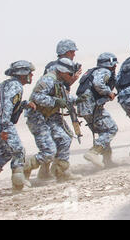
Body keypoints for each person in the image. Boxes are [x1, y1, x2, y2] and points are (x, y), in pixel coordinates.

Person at [24, 58, 82, 183]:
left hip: (49, 115)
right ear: (61, 71)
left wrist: (76, 99)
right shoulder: (48, 80)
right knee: (49, 151)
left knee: (65, 138)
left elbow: (63, 97)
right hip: (37, 117)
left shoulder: (59, 81)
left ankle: (61, 171)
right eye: (70, 74)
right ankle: (24, 168)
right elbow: (37, 97)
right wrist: (54, 101)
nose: (71, 77)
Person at [40, 39, 82, 178]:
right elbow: (58, 89)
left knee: (57, 139)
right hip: (51, 108)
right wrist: (72, 80)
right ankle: (59, 171)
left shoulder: (54, 65)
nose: (74, 55)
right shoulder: (57, 67)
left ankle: (49, 171)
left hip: (54, 107)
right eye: (72, 52)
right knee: (63, 137)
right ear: (66, 52)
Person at [0, 61, 36, 192]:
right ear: (23, 74)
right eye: (29, 72)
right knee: (18, 151)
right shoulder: (15, 86)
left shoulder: (7, 84)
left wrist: (25, 104)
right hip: (3, 123)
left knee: (6, 153)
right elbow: (6, 107)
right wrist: (4, 128)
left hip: (0, 122)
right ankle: (18, 186)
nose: (31, 75)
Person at [77, 53, 118, 168]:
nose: (115, 67)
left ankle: (107, 160)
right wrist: (108, 92)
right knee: (111, 129)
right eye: (114, 64)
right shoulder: (104, 71)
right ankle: (93, 153)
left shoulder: (92, 71)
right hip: (92, 107)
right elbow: (98, 84)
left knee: (103, 131)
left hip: (84, 107)